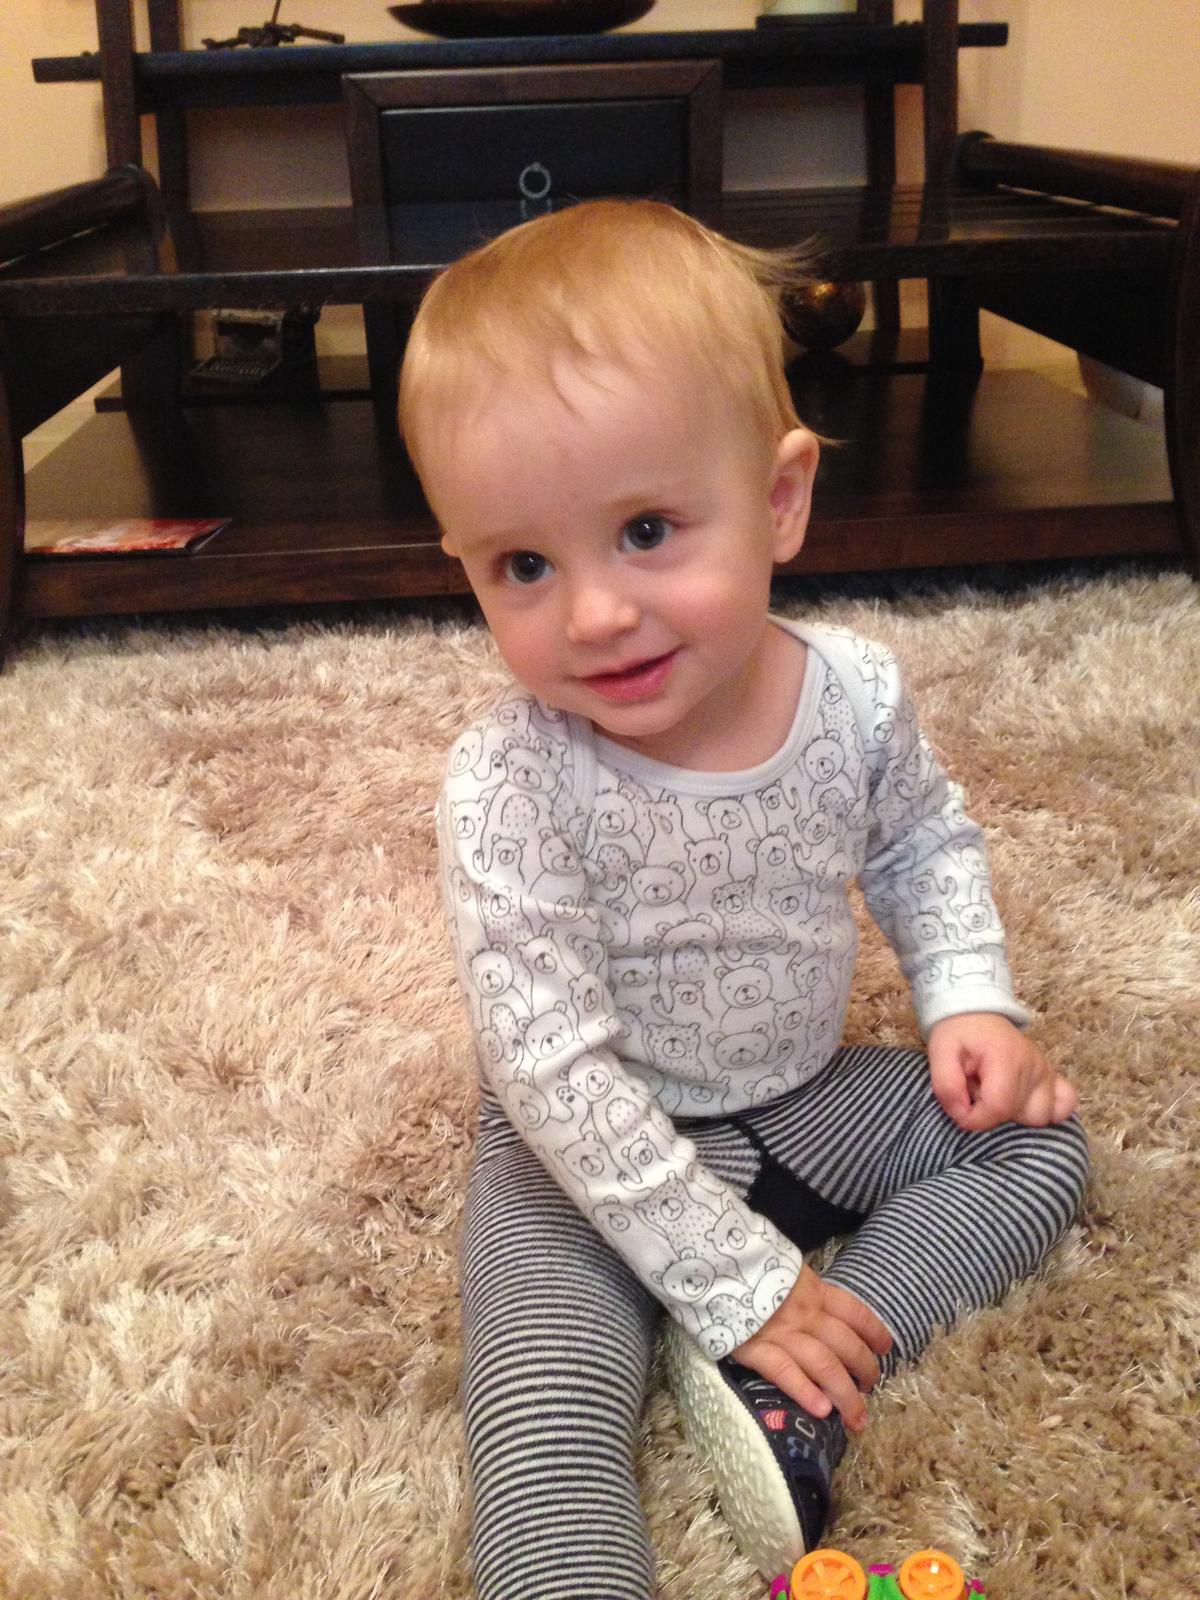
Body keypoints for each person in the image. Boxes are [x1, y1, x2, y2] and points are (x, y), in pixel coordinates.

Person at [398, 198, 1089, 1600]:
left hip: (802, 1095)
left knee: (1036, 1144)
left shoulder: (854, 695)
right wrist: (730, 1276)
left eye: (647, 529)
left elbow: (924, 844)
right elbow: (549, 1065)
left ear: (780, 500)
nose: (593, 614)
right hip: (579, 1151)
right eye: (523, 565)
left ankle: (809, 1372)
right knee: (538, 1404)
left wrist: (968, 999)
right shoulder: (509, 779)